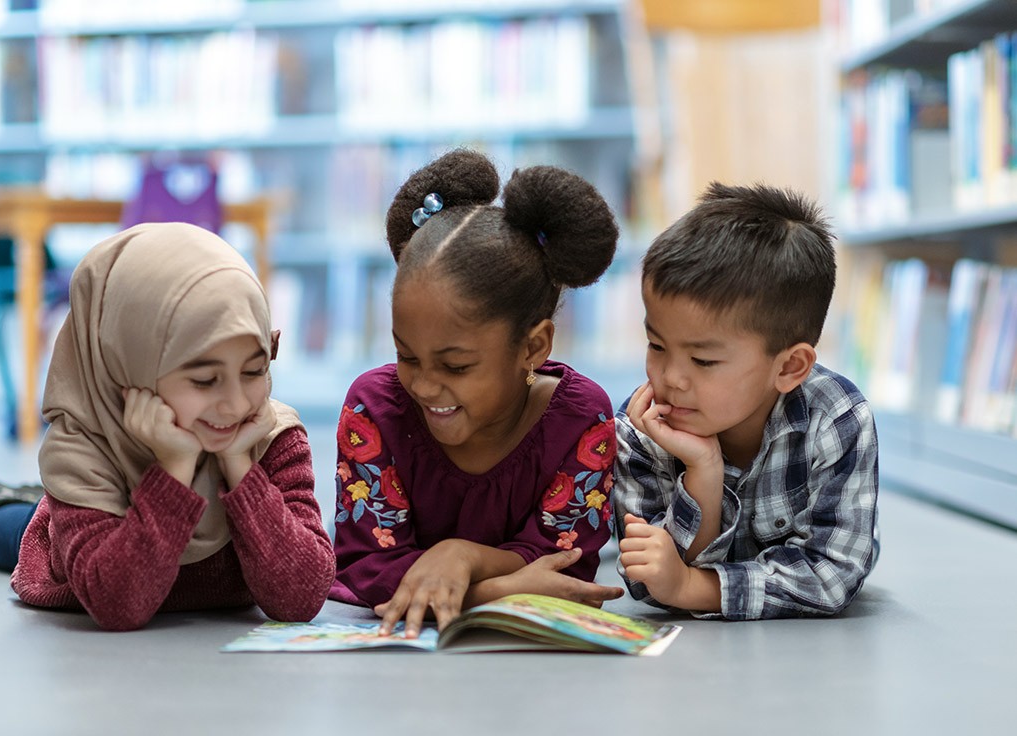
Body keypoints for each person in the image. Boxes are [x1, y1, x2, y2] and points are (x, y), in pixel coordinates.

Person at [0, 222, 335, 631]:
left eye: (253, 370)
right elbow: (118, 604)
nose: (235, 405)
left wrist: (240, 467)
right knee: (12, 528)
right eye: (204, 380)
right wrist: (176, 469)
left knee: (47, 506)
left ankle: (37, 498)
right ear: (129, 362)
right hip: (73, 555)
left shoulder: (271, 436)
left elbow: (301, 598)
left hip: (131, 512)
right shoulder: (82, 450)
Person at [329, 148, 626, 637]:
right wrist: (497, 590)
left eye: (456, 366)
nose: (424, 385)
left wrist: (460, 556)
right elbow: (367, 567)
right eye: (406, 355)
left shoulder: (582, 419)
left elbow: (563, 565)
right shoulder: (374, 409)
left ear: (533, 347)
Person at [613, 182, 879, 620]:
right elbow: (648, 579)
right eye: (656, 345)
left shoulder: (836, 418)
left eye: (703, 360)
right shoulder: (641, 426)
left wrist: (693, 587)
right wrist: (703, 471)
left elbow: (831, 575)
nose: (670, 377)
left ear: (789, 367)